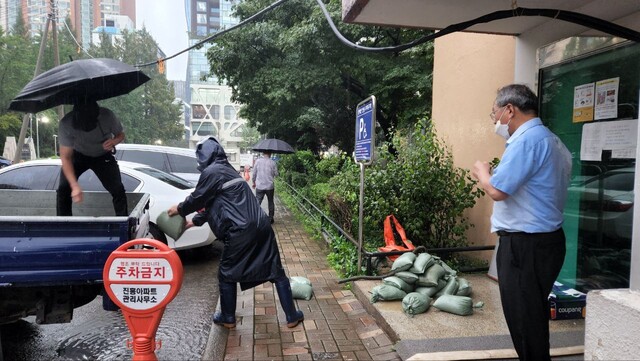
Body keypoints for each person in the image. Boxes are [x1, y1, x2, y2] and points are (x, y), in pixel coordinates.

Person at [472, 84, 572, 361]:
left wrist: (483, 173)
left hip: (525, 246)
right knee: (531, 315)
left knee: (524, 320)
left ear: (509, 110)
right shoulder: (553, 141)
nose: (495, 122)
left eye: (494, 115)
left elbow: (497, 190)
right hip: (545, 242)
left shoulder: (527, 141)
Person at [167, 137, 303, 329]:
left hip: (240, 231)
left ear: (205, 157)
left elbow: (198, 198)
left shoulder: (212, 171)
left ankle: (228, 317)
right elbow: (217, 202)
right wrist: (194, 221)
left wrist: (179, 210)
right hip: (261, 225)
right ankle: (292, 315)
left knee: (226, 274)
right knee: (276, 271)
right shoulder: (228, 170)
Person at [57, 100, 127, 216]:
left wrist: (114, 141)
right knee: (64, 189)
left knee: (118, 189)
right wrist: (74, 186)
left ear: (97, 115)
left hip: (102, 156)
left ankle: (123, 224)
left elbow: (121, 134)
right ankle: (64, 225)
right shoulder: (66, 124)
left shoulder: (107, 116)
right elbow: (66, 158)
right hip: (78, 156)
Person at [252, 151, 278, 224]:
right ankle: (270, 219)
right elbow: (276, 174)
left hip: (260, 186)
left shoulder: (258, 161)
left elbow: (254, 173)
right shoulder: (273, 162)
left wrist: (254, 182)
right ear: (270, 154)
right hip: (270, 186)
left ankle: (255, 217)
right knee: (270, 201)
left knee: (257, 202)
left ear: (263, 153)